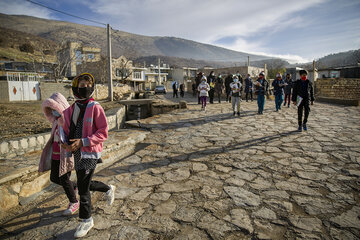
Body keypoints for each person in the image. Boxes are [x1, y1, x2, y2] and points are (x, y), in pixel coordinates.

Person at [62, 73, 116, 238]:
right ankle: (108, 188)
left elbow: (103, 132)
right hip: (76, 152)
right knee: (83, 183)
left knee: (83, 189)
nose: (85, 88)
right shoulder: (72, 108)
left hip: (89, 152)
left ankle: (86, 220)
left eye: (88, 85)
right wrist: (65, 144)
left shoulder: (95, 107)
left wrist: (84, 141)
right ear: (75, 88)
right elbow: (65, 128)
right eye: (82, 85)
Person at [39, 93, 79, 216]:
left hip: (65, 155)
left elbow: (72, 137)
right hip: (55, 155)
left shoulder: (67, 121)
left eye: (54, 109)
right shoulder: (56, 122)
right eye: (50, 110)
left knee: (64, 178)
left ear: (60, 107)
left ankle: (74, 202)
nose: (53, 112)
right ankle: (75, 186)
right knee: (54, 178)